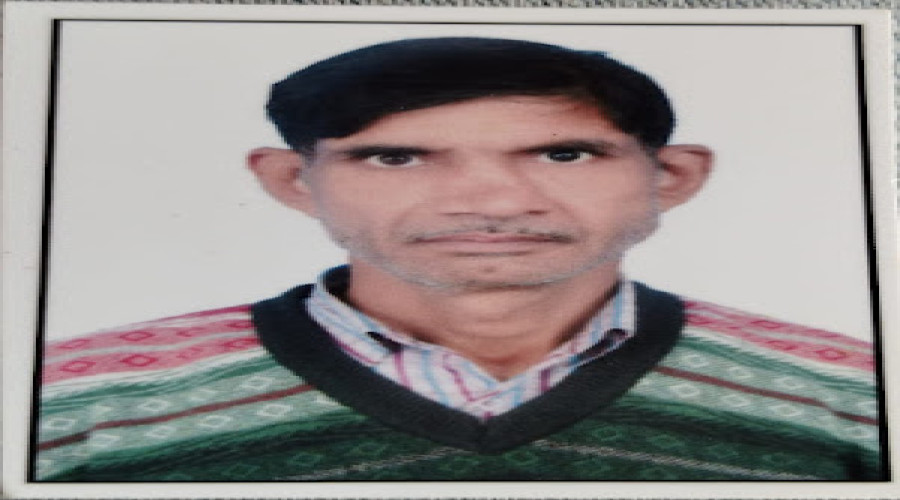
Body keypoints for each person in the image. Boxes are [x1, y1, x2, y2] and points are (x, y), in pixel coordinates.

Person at [36, 37, 882, 481]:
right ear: (293, 179)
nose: (492, 202)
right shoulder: (72, 403)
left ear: (671, 176)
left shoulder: (855, 397)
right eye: (396, 157)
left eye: (563, 154)